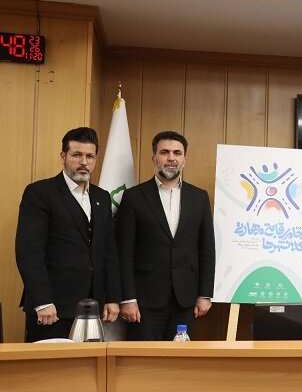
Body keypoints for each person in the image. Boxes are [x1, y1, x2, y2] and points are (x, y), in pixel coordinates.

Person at [15, 127, 121, 342]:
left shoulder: (102, 197)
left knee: (89, 364)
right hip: (51, 309)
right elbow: (29, 251)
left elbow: (108, 251)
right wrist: (42, 301)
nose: (84, 162)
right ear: (63, 156)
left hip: (92, 310)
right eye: (77, 155)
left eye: (90, 156)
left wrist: (112, 297)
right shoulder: (39, 193)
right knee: (50, 364)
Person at [116, 131, 215, 340]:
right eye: (164, 152)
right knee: (142, 358)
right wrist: (127, 299)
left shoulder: (199, 197)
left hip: (186, 301)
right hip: (143, 302)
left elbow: (206, 249)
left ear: (184, 159)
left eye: (177, 153)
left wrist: (205, 294)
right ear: (154, 157)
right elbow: (124, 252)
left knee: (179, 359)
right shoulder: (134, 197)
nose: (171, 158)